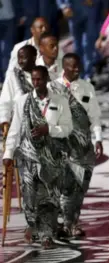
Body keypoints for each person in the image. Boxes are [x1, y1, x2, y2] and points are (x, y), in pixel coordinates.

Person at [2, 65, 73, 249]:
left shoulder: (60, 101)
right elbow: (15, 129)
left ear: (46, 79)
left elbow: (67, 128)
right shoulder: (22, 102)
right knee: (29, 197)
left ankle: (46, 234)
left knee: (49, 198)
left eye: (39, 79)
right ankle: (32, 224)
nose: (36, 83)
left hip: (52, 159)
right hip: (28, 158)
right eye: (33, 80)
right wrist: (8, 154)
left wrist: (49, 129)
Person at [50, 53, 103, 237]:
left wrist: (98, 138)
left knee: (80, 187)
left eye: (78, 66)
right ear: (64, 67)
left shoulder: (86, 88)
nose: (77, 69)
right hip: (61, 147)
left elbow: (94, 116)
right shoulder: (53, 88)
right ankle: (67, 224)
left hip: (83, 148)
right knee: (66, 186)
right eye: (73, 67)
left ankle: (71, 222)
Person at [56, 0, 109, 80]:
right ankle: (80, 74)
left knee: (88, 44)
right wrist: (63, 6)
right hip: (73, 13)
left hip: (91, 11)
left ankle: (89, 74)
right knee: (77, 46)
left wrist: (105, 7)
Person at [0, 45, 37, 129]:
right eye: (18, 58)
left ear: (34, 58)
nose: (20, 61)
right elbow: (5, 101)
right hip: (19, 126)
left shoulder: (44, 75)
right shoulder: (13, 76)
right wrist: (5, 121)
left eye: (23, 58)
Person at [0, 0, 25, 81]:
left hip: (9, 18)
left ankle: (7, 77)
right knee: (6, 51)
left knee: (7, 50)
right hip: (8, 17)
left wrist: (20, 14)